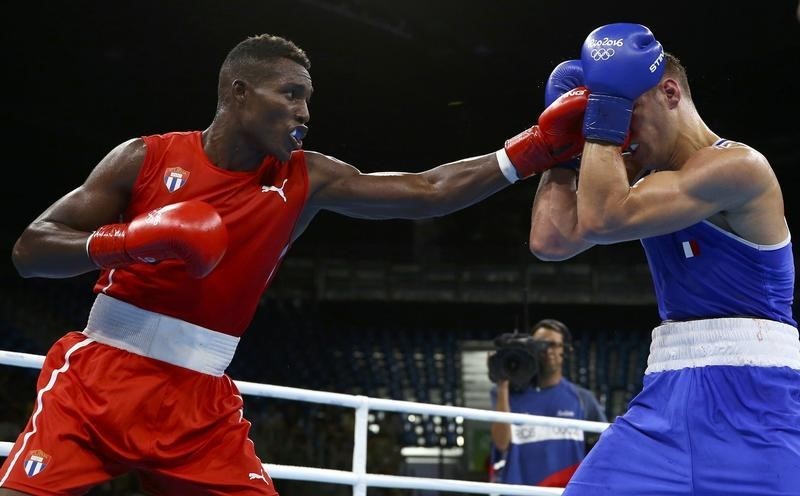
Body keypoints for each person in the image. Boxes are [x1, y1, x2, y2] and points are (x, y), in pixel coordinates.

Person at [0, 33, 588, 496]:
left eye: (307, 98)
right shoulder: (147, 157)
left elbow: (427, 190)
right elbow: (31, 249)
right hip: (100, 377)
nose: (303, 111)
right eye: (289, 93)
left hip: (200, 401)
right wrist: (127, 242)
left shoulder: (305, 177)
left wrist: (532, 149)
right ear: (237, 93)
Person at [529, 23, 800, 495]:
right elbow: (551, 241)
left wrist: (602, 116)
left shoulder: (738, 167)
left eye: (626, 112)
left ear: (669, 92)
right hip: (664, 400)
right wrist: (563, 152)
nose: (620, 134)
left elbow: (601, 220)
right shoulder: (638, 176)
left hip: (758, 404)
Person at [489, 319, 606, 489]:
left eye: (553, 345)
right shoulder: (506, 395)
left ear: (564, 350)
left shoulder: (582, 399)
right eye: (540, 345)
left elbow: (603, 449)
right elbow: (501, 443)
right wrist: (502, 385)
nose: (547, 351)